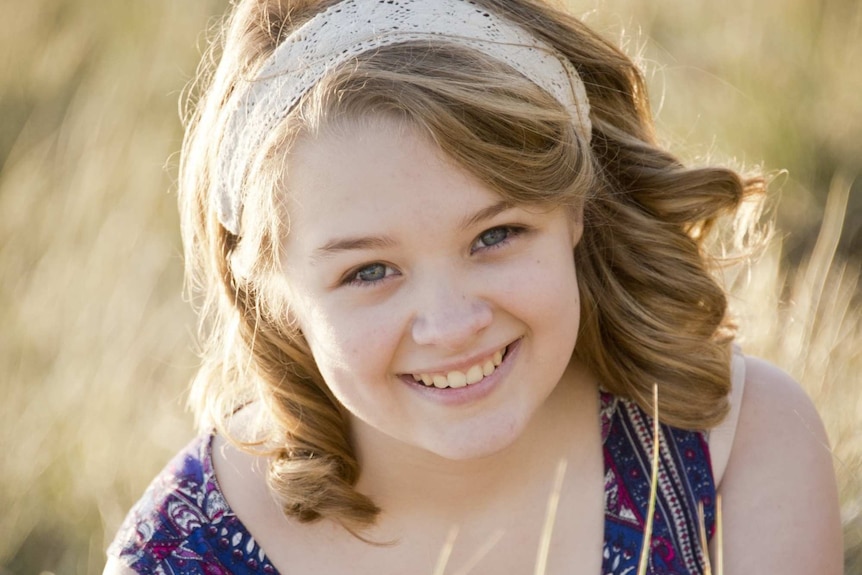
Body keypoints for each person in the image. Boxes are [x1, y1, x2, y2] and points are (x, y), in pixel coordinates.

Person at [104, 0, 843, 573]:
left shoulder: (734, 444)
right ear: (274, 292)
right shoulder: (181, 552)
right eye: (369, 271)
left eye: (494, 236)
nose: (451, 323)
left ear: (576, 206)